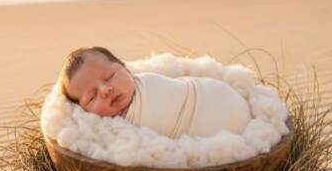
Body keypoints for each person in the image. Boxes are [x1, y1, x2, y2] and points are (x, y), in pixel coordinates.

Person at [59, 46, 252, 139]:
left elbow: (179, 91)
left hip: (210, 95)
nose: (105, 90)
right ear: (83, 110)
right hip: (214, 129)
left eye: (110, 76)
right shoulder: (114, 129)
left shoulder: (148, 81)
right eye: (92, 96)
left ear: (126, 68)